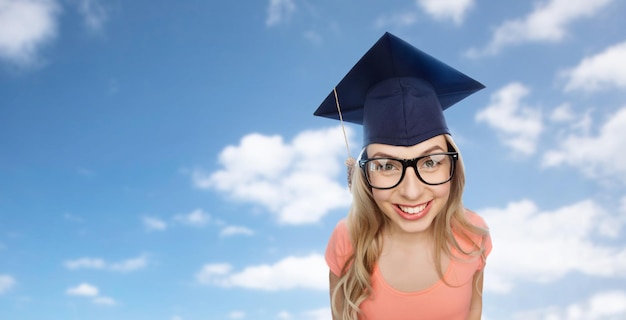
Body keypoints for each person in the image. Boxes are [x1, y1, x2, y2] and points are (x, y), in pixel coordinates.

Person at [314, 32, 493, 320]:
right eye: (386, 166)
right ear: (363, 175)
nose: (411, 191)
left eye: (431, 162)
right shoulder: (348, 240)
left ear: (453, 167)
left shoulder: (472, 234)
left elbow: (473, 310)